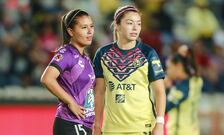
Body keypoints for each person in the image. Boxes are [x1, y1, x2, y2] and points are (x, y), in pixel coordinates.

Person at [93, 5, 166, 135]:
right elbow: (99, 92)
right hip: (111, 129)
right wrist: (97, 124)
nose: (135, 28)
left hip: (142, 127)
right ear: (117, 25)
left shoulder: (148, 53)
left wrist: (160, 123)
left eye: (138, 24)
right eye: (130, 23)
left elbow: (160, 92)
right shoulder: (102, 54)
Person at [40, 9, 95, 135]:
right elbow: (47, 78)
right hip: (70, 122)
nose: (90, 31)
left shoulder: (85, 57)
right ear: (70, 31)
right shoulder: (67, 54)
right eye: (84, 27)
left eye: (91, 26)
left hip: (84, 123)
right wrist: (71, 102)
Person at [165, 45, 203, 135]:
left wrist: (164, 88)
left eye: (169, 67)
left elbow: (165, 107)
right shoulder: (196, 80)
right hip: (192, 130)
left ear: (178, 66)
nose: (167, 71)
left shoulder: (183, 87)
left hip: (180, 132)